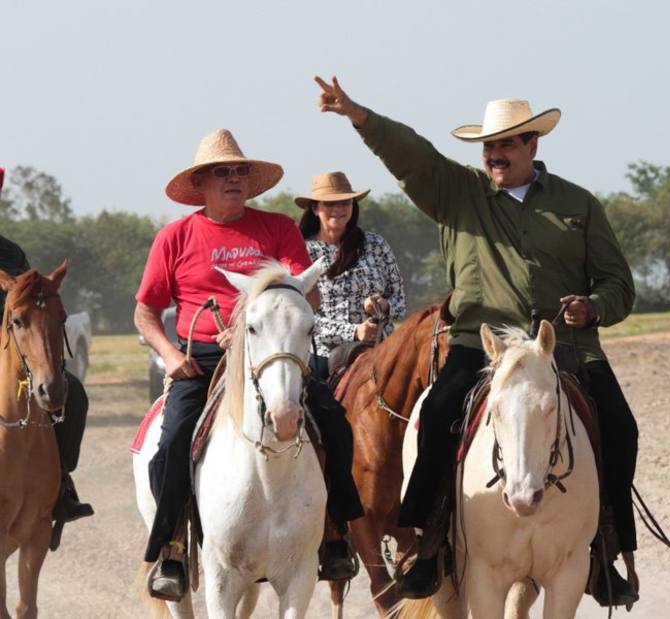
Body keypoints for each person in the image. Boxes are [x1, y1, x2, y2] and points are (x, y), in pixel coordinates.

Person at [314, 76, 640, 607]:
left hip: (564, 347)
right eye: (489, 145)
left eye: (507, 143)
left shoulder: (578, 205)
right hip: (480, 345)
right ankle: (427, 545)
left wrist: (594, 307)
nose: (495, 154)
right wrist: (359, 116)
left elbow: (618, 284)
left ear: (533, 145)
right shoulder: (458, 193)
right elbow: (412, 155)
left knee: (620, 427)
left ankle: (608, 553)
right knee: (441, 408)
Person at [134, 129, 363, 600]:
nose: (233, 178)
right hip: (201, 359)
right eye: (222, 172)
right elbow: (146, 312)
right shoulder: (175, 236)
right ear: (201, 183)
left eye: (240, 171)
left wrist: (270, 314)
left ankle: (335, 534)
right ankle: (173, 546)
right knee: (173, 439)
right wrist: (171, 356)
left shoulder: (277, 227)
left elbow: (301, 287)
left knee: (336, 423)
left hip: (272, 350)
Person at [0, 166, 94, 535]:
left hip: (10, 354)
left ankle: (61, 484)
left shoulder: (9, 252)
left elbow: (31, 303)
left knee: (75, 393)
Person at [295, 171, 406, 379]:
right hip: (324, 354)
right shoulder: (302, 252)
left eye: (345, 202)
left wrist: (383, 306)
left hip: (380, 349)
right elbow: (301, 315)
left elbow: (399, 298)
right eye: (329, 204)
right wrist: (353, 332)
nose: (338, 209)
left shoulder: (376, 244)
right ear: (315, 208)